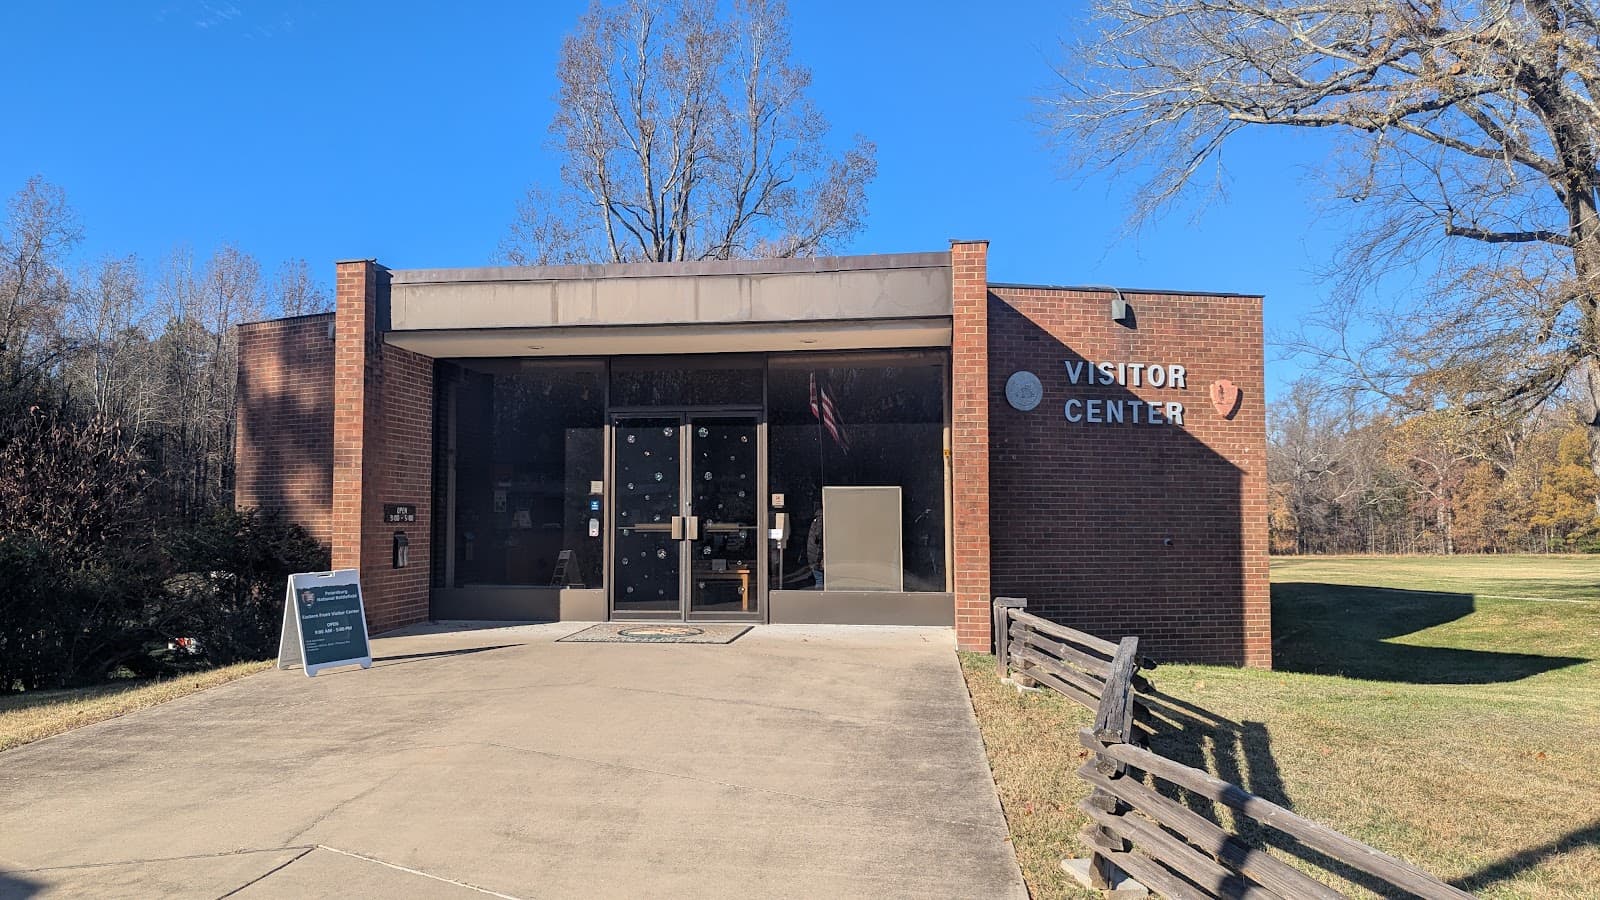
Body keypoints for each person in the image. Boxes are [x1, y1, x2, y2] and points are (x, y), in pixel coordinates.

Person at [806, 505, 824, 588]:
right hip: (815, 548)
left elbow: (818, 535)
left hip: (815, 548)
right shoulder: (820, 517)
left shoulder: (819, 517)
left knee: (819, 577)